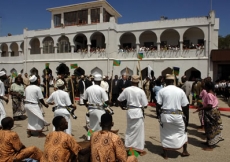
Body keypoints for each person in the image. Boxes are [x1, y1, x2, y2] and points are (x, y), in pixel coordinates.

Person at [157, 74, 189, 159]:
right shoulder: (180, 91)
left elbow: (158, 105)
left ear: (165, 81)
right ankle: (185, 151)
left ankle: (165, 154)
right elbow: (185, 106)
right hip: (178, 116)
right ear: (173, 81)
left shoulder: (162, 91)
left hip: (165, 116)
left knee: (165, 133)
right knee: (183, 132)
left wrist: (158, 116)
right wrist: (187, 121)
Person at [117, 75, 148, 155]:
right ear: (138, 82)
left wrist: (122, 107)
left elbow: (119, 99)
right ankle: (138, 148)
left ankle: (129, 145)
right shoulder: (141, 91)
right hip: (138, 111)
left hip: (130, 111)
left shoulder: (127, 90)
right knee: (139, 131)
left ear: (131, 81)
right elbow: (145, 105)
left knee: (130, 129)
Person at [196, 81, 224, 151]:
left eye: (205, 86)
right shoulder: (213, 93)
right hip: (214, 112)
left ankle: (210, 146)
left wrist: (201, 108)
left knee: (210, 128)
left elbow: (210, 106)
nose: (204, 87)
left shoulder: (209, 95)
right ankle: (208, 142)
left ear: (207, 87)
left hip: (210, 113)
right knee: (209, 127)